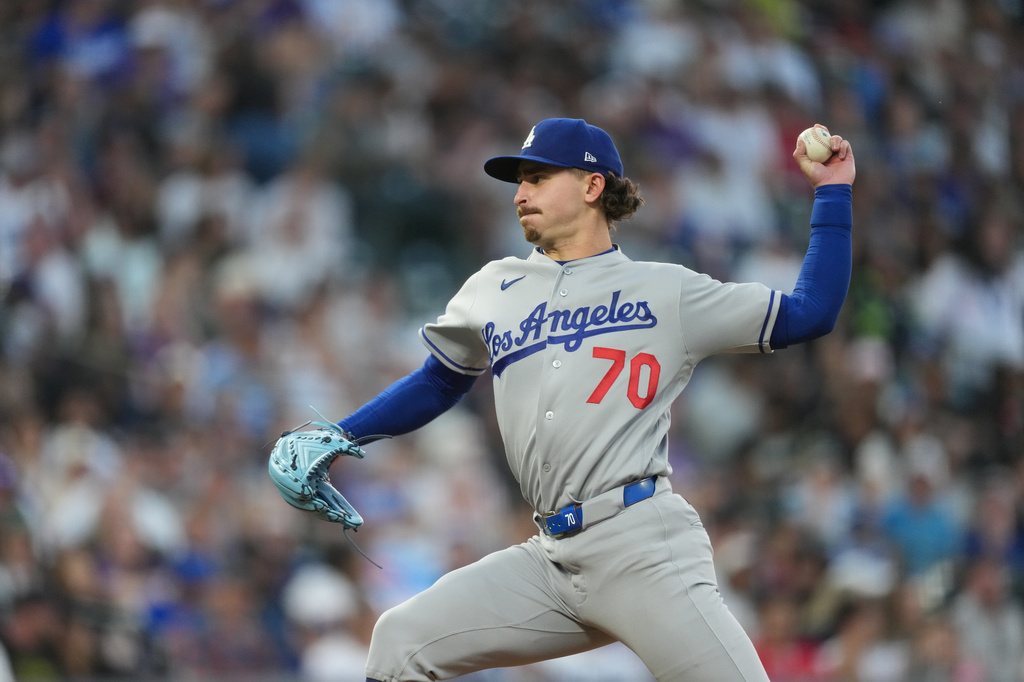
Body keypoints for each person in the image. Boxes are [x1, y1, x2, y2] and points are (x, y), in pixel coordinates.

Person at [329, 117, 855, 681]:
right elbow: (438, 381)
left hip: (641, 547)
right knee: (400, 640)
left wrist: (832, 191)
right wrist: (340, 435)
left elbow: (811, 312)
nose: (520, 193)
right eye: (519, 181)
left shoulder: (666, 290)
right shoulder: (493, 286)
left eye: (537, 177)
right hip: (550, 558)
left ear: (591, 186)